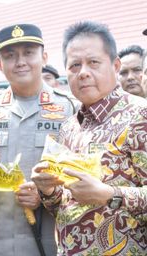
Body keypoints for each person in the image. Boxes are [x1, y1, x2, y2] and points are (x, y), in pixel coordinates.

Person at [0, 24, 78, 256]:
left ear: (44, 57)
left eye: (28, 52)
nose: (20, 61)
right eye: (10, 55)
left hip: (53, 240)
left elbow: (83, 177)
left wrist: (46, 195)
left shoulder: (70, 108)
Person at [31, 21, 147, 255]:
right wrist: (48, 190)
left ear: (115, 65)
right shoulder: (69, 127)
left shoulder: (140, 115)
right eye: (74, 65)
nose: (83, 72)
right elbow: (64, 205)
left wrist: (109, 195)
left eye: (93, 62)